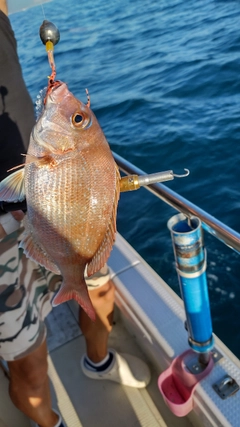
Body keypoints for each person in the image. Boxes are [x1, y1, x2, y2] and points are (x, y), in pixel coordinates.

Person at [0, 1, 150, 426]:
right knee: (27, 361)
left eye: (80, 117)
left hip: (54, 207)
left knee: (98, 292)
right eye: (80, 118)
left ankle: (98, 361)